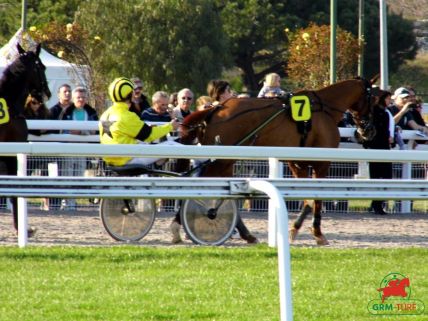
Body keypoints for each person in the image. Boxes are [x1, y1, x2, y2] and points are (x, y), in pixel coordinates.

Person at [99, 77, 180, 167]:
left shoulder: (105, 114)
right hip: (128, 160)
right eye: (132, 92)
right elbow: (150, 135)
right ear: (129, 95)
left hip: (111, 160)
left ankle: (151, 170)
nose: (135, 94)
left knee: (146, 144)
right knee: (170, 145)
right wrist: (170, 126)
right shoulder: (127, 116)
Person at [59, 86, 98, 210]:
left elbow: (95, 131)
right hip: (69, 149)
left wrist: (83, 132)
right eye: (78, 97)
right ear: (73, 98)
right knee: (67, 175)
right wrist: (79, 131)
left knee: (79, 175)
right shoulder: (67, 111)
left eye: (82, 97)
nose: (80, 99)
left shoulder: (91, 112)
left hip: (83, 149)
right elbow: (63, 130)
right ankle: (66, 202)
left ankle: (73, 202)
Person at [363, 91, 393, 215]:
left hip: (384, 148)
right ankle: (376, 204)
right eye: (388, 99)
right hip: (376, 148)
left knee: (385, 177)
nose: (389, 101)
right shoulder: (374, 113)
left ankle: (376, 204)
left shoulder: (385, 113)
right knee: (377, 177)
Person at [23, 91, 51, 211]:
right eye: (34, 103)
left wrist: (42, 131)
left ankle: (47, 203)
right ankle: (21, 201)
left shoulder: (46, 113)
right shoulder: (23, 113)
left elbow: (51, 128)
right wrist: (40, 131)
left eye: (39, 103)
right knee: (24, 175)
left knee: (46, 174)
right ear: (29, 102)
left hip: (42, 150)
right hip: (27, 151)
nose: (36, 105)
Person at [48, 84, 73, 209]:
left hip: (72, 150)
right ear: (59, 94)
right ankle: (53, 205)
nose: (67, 94)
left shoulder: (76, 109)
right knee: (55, 177)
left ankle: (70, 204)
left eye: (69, 91)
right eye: (65, 91)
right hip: (55, 151)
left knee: (71, 177)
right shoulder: (53, 111)